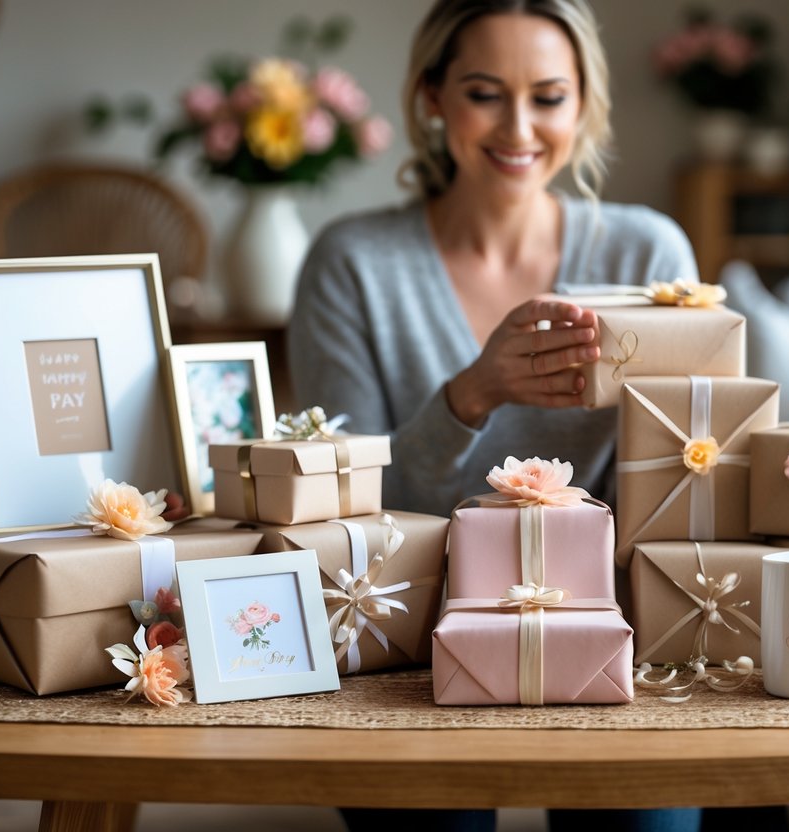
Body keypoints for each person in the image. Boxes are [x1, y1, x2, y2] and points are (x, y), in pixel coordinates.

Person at [289, 1, 705, 830]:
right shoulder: (351, 263)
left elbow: (684, 482)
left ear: (581, 105)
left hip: (611, 627)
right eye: (485, 92)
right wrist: (470, 395)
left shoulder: (647, 256)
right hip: (405, 642)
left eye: (547, 96)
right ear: (432, 97)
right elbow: (342, 511)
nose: (519, 126)